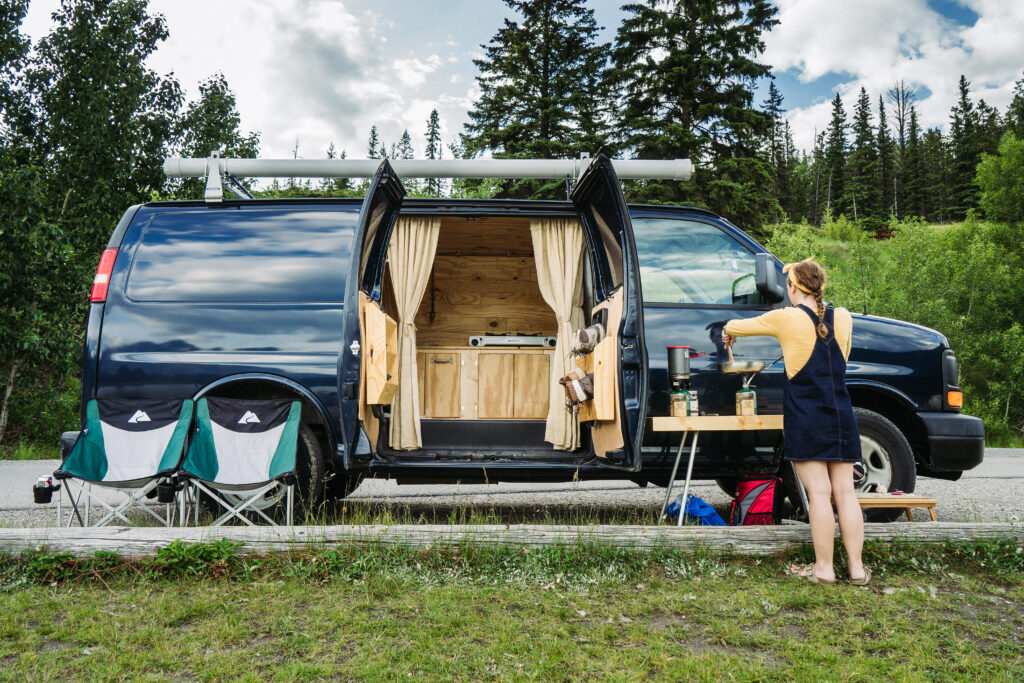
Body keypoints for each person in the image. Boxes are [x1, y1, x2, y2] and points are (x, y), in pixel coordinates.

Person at [722, 258, 869, 586]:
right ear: (821, 286)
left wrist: (727, 332)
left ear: (792, 287)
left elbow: (739, 325)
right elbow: (839, 357)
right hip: (841, 415)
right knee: (845, 493)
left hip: (807, 417)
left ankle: (824, 569)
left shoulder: (786, 318)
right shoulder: (843, 318)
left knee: (819, 494)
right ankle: (857, 569)